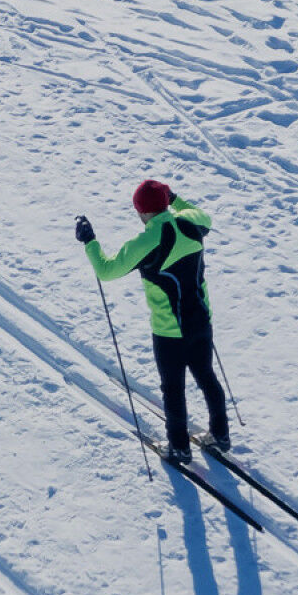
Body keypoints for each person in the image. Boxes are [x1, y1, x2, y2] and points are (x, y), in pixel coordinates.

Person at [76, 178, 230, 465]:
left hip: (168, 331)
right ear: (165, 202)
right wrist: (176, 199)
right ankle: (220, 435)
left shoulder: (147, 241)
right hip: (201, 322)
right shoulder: (191, 222)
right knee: (207, 377)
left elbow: (107, 271)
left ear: (142, 212)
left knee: (173, 389)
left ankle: (179, 448)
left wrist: (90, 242)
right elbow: (205, 215)